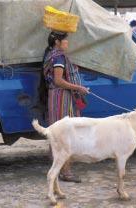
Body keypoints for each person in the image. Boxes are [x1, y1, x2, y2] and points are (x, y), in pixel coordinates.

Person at [43, 31, 89, 182]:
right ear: (57, 42)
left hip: (55, 97)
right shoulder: (59, 57)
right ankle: (66, 172)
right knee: (66, 134)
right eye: (65, 41)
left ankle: (59, 170)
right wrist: (78, 88)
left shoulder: (51, 54)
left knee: (59, 134)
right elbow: (58, 80)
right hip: (62, 97)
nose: (67, 43)